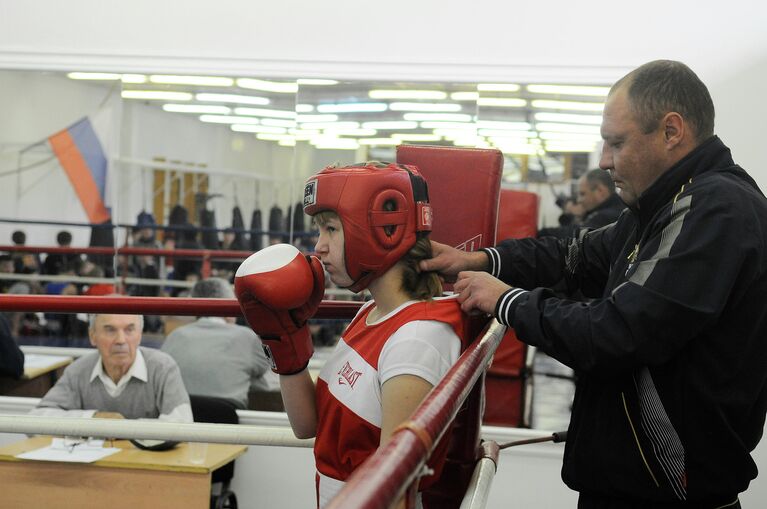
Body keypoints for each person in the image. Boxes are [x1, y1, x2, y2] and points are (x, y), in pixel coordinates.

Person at [420, 60, 767, 508]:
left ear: (671, 131)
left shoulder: (715, 212)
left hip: (669, 498)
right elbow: (574, 255)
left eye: (616, 143)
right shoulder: (660, 208)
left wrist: (507, 302)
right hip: (627, 489)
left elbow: (617, 332)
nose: (604, 161)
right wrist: (482, 258)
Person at [234, 162, 472, 508]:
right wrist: (285, 339)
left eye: (331, 229)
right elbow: (308, 425)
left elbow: (394, 487)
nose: (319, 247)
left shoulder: (416, 339)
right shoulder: (372, 312)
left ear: (380, 232)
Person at [31, 313, 192, 421]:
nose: (121, 340)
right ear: (92, 336)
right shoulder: (78, 370)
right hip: (94, 468)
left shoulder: (162, 368)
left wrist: (121, 430)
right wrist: (94, 418)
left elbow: (182, 424)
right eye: (110, 330)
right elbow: (37, 419)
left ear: (140, 335)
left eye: (129, 329)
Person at [161, 277, 273, 409]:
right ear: (229, 304)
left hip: (181, 421)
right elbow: (265, 369)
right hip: (229, 420)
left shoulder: (175, 335)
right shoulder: (246, 337)